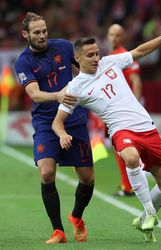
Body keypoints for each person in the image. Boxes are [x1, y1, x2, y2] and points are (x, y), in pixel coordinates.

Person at [52, 22, 161, 242]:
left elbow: (140, 50)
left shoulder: (110, 62)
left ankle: (143, 220)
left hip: (146, 127)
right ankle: (150, 213)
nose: (95, 58)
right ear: (77, 58)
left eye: (97, 53)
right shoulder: (75, 87)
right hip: (120, 130)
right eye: (90, 55)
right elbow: (57, 121)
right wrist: (62, 134)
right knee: (130, 157)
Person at [14, 12, 95, 244]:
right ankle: (58, 231)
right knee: (47, 173)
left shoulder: (63, 47)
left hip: (75, 119)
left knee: (88, 179)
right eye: (37, 32)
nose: (42, 36)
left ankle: (77, 218)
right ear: (25, 34)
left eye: (44, 31)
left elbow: (84, 70)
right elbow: (34, 94)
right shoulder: (23, 62)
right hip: (45, 123)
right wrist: (58, 95)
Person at [107, 23, 143, 196]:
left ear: (123, 37)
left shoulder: (125, 56)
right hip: (116, 109)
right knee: (120, 149)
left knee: (123, 148)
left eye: (117, 35)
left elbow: (136, 81)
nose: (114, 38)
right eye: (111, 34)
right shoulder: (111, 56)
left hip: (125, 110)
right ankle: (128, 185)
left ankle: (129, 186)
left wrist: (133, 106)